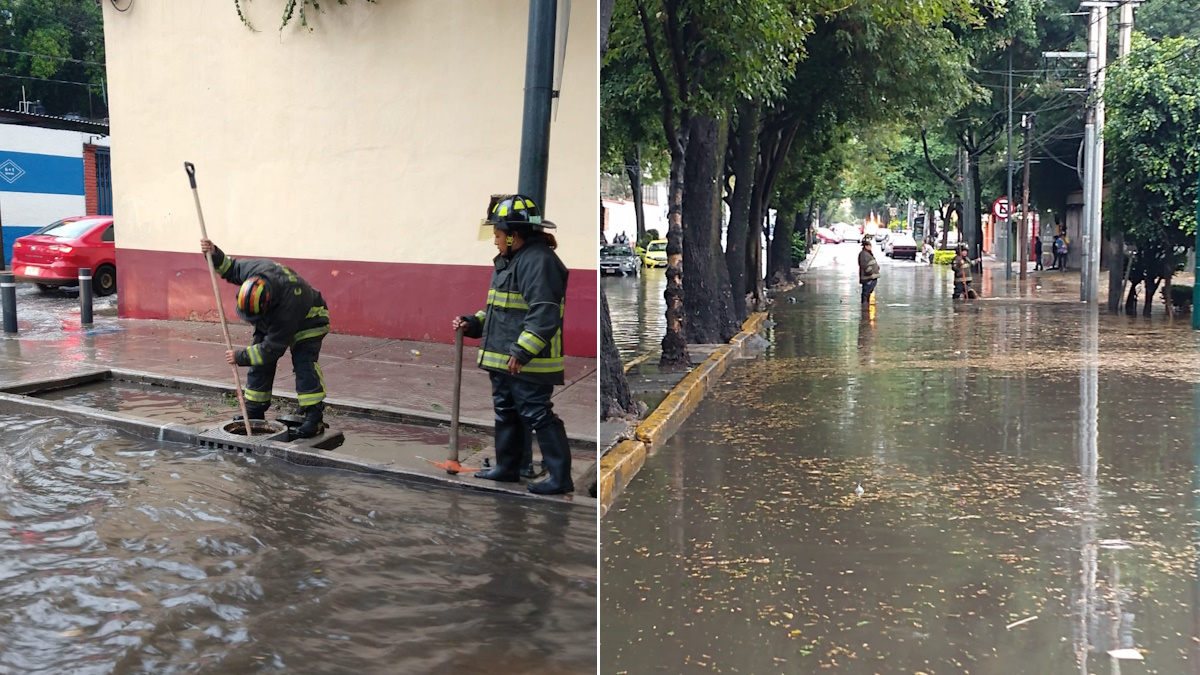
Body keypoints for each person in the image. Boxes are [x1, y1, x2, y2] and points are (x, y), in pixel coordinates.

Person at [453, 194, 573, 495]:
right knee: (506, 411)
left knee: (537, 414)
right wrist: (473, 323)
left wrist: (522, 351)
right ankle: (507, 468)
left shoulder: (539, 262)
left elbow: (543, 313)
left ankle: (560, 478)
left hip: (527, 362)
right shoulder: (512, 260)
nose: (494, 240)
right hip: (506, 360)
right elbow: (501, 310)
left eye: (497, 233)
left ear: (513, 234)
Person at [199, 239, 330, 438]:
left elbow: (272, 349)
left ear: (267, 305)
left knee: (304, 364)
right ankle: (254, 411)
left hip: (309, 319)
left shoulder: (287, 306)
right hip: (272, 319)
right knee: (259, 364)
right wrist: (214, 253)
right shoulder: (254, 270)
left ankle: (314, 418)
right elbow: (230, 268)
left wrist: (240, 356)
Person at [858, 236, 880, 303]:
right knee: (866, 294)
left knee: (867, 294)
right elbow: (865, 266)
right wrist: (871, 273)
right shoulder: (863, 254)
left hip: (871, 278)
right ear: (866, 246)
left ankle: (865, 308)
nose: (871, 247)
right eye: (870, 245)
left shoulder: (868, 253)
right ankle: (865, 307)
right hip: (868, 278)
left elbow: (872, 263)